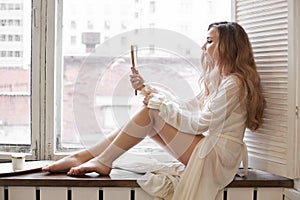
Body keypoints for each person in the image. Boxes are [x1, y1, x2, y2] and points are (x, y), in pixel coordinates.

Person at [42, 21, 265, 199]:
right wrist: (145, 88)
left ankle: (99, 160)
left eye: (209, 41)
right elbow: (185, 105)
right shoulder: (221, 80)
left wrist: (158, 106)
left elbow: (198, 124)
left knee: (151, 114)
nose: (202, 46)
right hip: (215, 151)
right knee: (149, 119)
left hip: (217, 158)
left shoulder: (234, 84)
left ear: (229, 46)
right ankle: (85, 156)